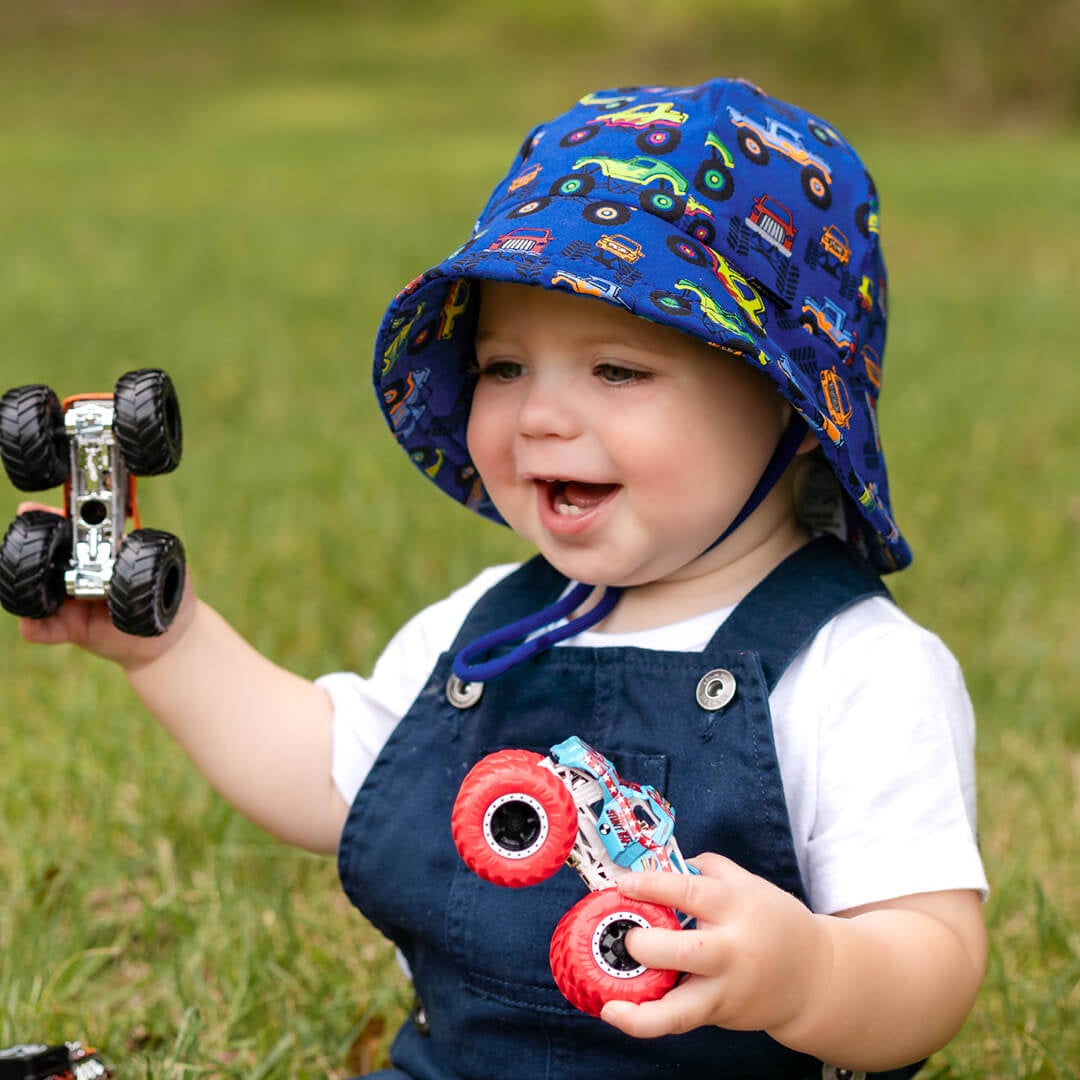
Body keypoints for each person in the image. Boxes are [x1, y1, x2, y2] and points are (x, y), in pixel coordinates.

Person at [12, 77, 988, 1079]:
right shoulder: (482, 628)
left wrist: (813, 975)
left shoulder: (858, 671)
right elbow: (328, 775)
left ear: (790, 410)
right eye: (503, 366)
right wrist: (167, 642)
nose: (538, 418)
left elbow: (935, 957)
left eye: (617, 370)